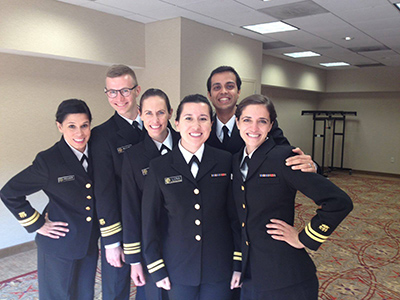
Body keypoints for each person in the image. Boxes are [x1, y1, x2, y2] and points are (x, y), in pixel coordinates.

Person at [232, 94, 353, 300]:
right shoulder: (236, 161)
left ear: (271, 126)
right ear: (237, 123)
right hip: (251, 275)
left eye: (262, 121)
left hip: (286, 279)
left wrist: (303, 238)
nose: (254, 128)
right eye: (247, 120)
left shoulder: (284, 157)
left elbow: (339, 202)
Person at [142, 94, 241, 300]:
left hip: (219, 266)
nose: (196, 125)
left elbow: (235, 216)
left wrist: (238, 262)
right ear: (176, 123)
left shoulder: (225, 161)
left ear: (211, 124)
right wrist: (156, 267)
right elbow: (150, 221)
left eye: (203, 118)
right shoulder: (159, 166)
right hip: (177, 267)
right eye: (188, 118)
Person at [0, 99, 99, 300]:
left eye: (84, 126)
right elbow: (9, 192)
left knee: (84, 294)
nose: (79, 133)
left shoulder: (98, 152)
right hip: (58, 244)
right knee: (57, 295)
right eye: (71, 126)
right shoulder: (49, 160)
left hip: (88, 242)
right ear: (60, 126)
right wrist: (37, 223)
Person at [90, 65, 145, 300]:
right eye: (112, 92)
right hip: (122, 225)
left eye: (124, 90)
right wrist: (111, 242)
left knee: (153, 283)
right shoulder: (102, 136)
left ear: (137, 90)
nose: (118, 98)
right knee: (116, 289)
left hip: (157, 221)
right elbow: (104, 191)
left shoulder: (156, 124)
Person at [121, 88, 179, 299]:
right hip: (150, 244)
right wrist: (134, 259)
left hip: (185, 243)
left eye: (161, 112)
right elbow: (130, 209)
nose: (155, 120)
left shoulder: (188, 144)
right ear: (140, 113)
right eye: (148, 113)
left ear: (170, 113)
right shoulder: (133, 156)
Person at [206, 65, 317, 173]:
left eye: (230, 86)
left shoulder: (261, 123)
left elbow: (285, 152)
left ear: (238, 91)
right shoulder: (203, 127)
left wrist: (311, 166)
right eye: (217, 87)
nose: (224, 91)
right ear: (209, 95)